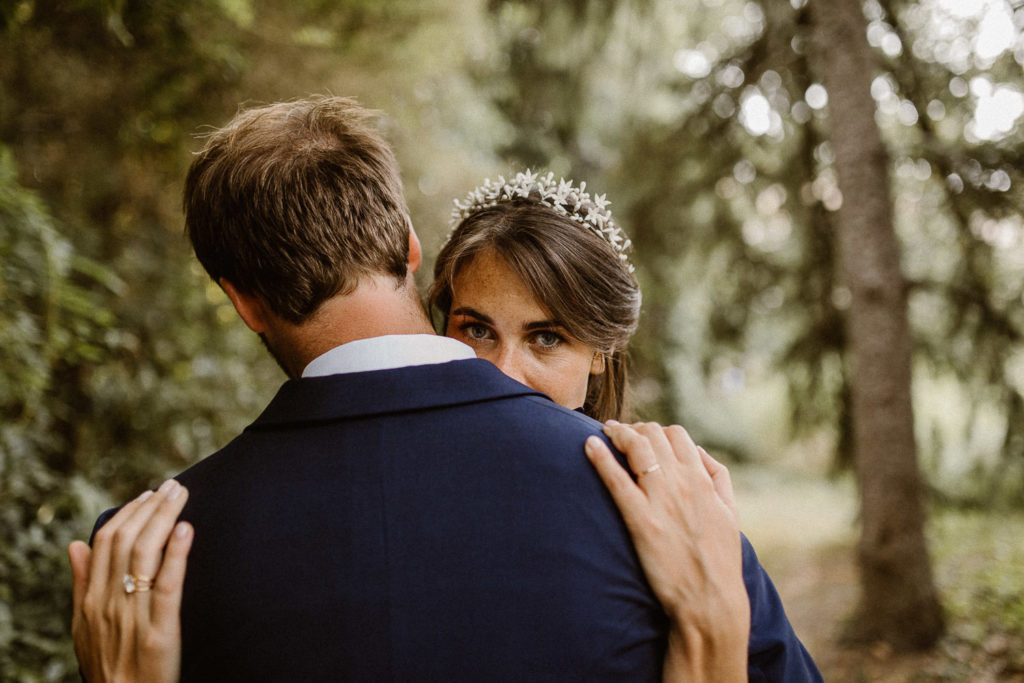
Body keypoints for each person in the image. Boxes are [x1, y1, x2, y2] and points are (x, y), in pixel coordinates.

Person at [69, 98, 819, 680]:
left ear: (243, 301)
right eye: (480, 326)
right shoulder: (665, 504)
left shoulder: (145, 559)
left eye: (548, 336)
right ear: (409, 249)